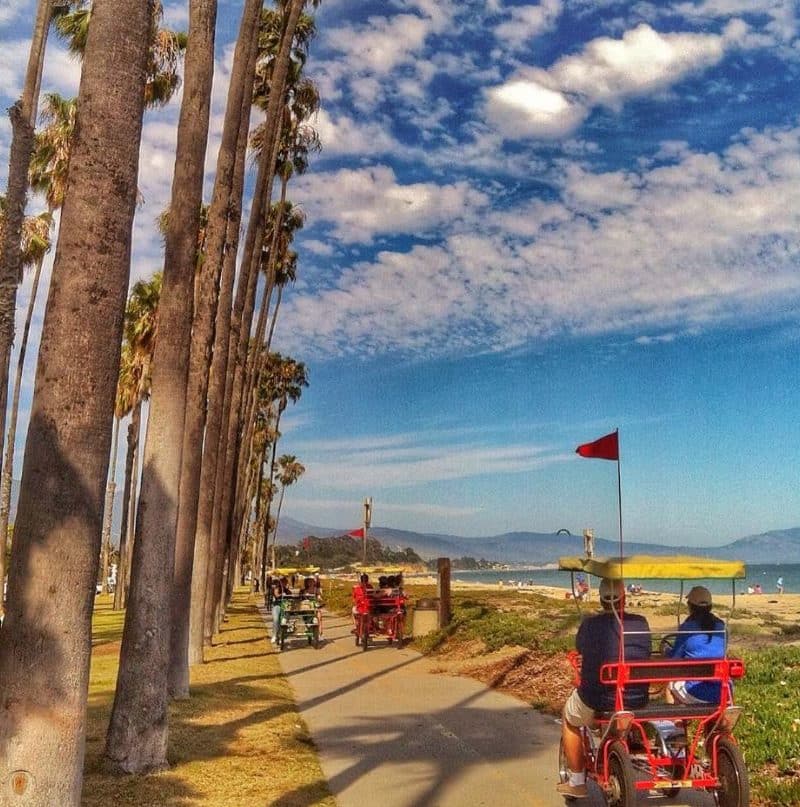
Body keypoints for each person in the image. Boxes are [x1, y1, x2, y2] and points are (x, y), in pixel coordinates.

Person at [557, 578, 651, 799]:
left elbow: (580, 648)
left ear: (601, 600)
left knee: (569, 718)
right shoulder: (641, 623)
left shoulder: (590, 624)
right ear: (624, 598)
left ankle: (577, 781)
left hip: (598, 699)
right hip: (637, 698)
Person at [665, 586, 726, 704]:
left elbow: (675, 659)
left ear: (690, 606)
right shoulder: (721, 626)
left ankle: (676, 721)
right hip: (723, 690)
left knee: (670, 684)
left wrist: (667, 650)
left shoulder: (687, 628)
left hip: (697, 691)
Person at [270, 575, 290, 645]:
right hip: (277, 605)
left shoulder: (287, 590)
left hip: (285, 607)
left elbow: (290, 597)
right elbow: (276, 595)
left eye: (285, 582)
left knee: (286, 618)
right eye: (283, 582)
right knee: (276, 619)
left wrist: (287, 591)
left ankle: (283, 634)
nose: (284, 583)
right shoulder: (277, 588)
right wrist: (282, 594)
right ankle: (274, 635)